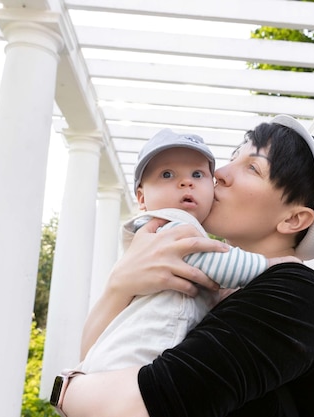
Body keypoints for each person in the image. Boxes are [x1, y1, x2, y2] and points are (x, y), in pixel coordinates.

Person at [55, 114, 314, 417]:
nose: (221, 173)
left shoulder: (298, 293)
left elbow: (140, 404)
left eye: (252, 168)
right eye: (232, 157)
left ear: (293, 219)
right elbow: (99, 356)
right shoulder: (210, 283)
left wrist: (65, 391)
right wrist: (119, 286)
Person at [79, 128, 293, 373]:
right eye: (167, 174)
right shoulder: (173, 225)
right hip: (134, 362)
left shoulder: (152, 240)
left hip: (123, 365)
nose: (186, 182)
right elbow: (223, 264)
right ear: (141, 198)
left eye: (198, 174)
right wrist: (273, 266)